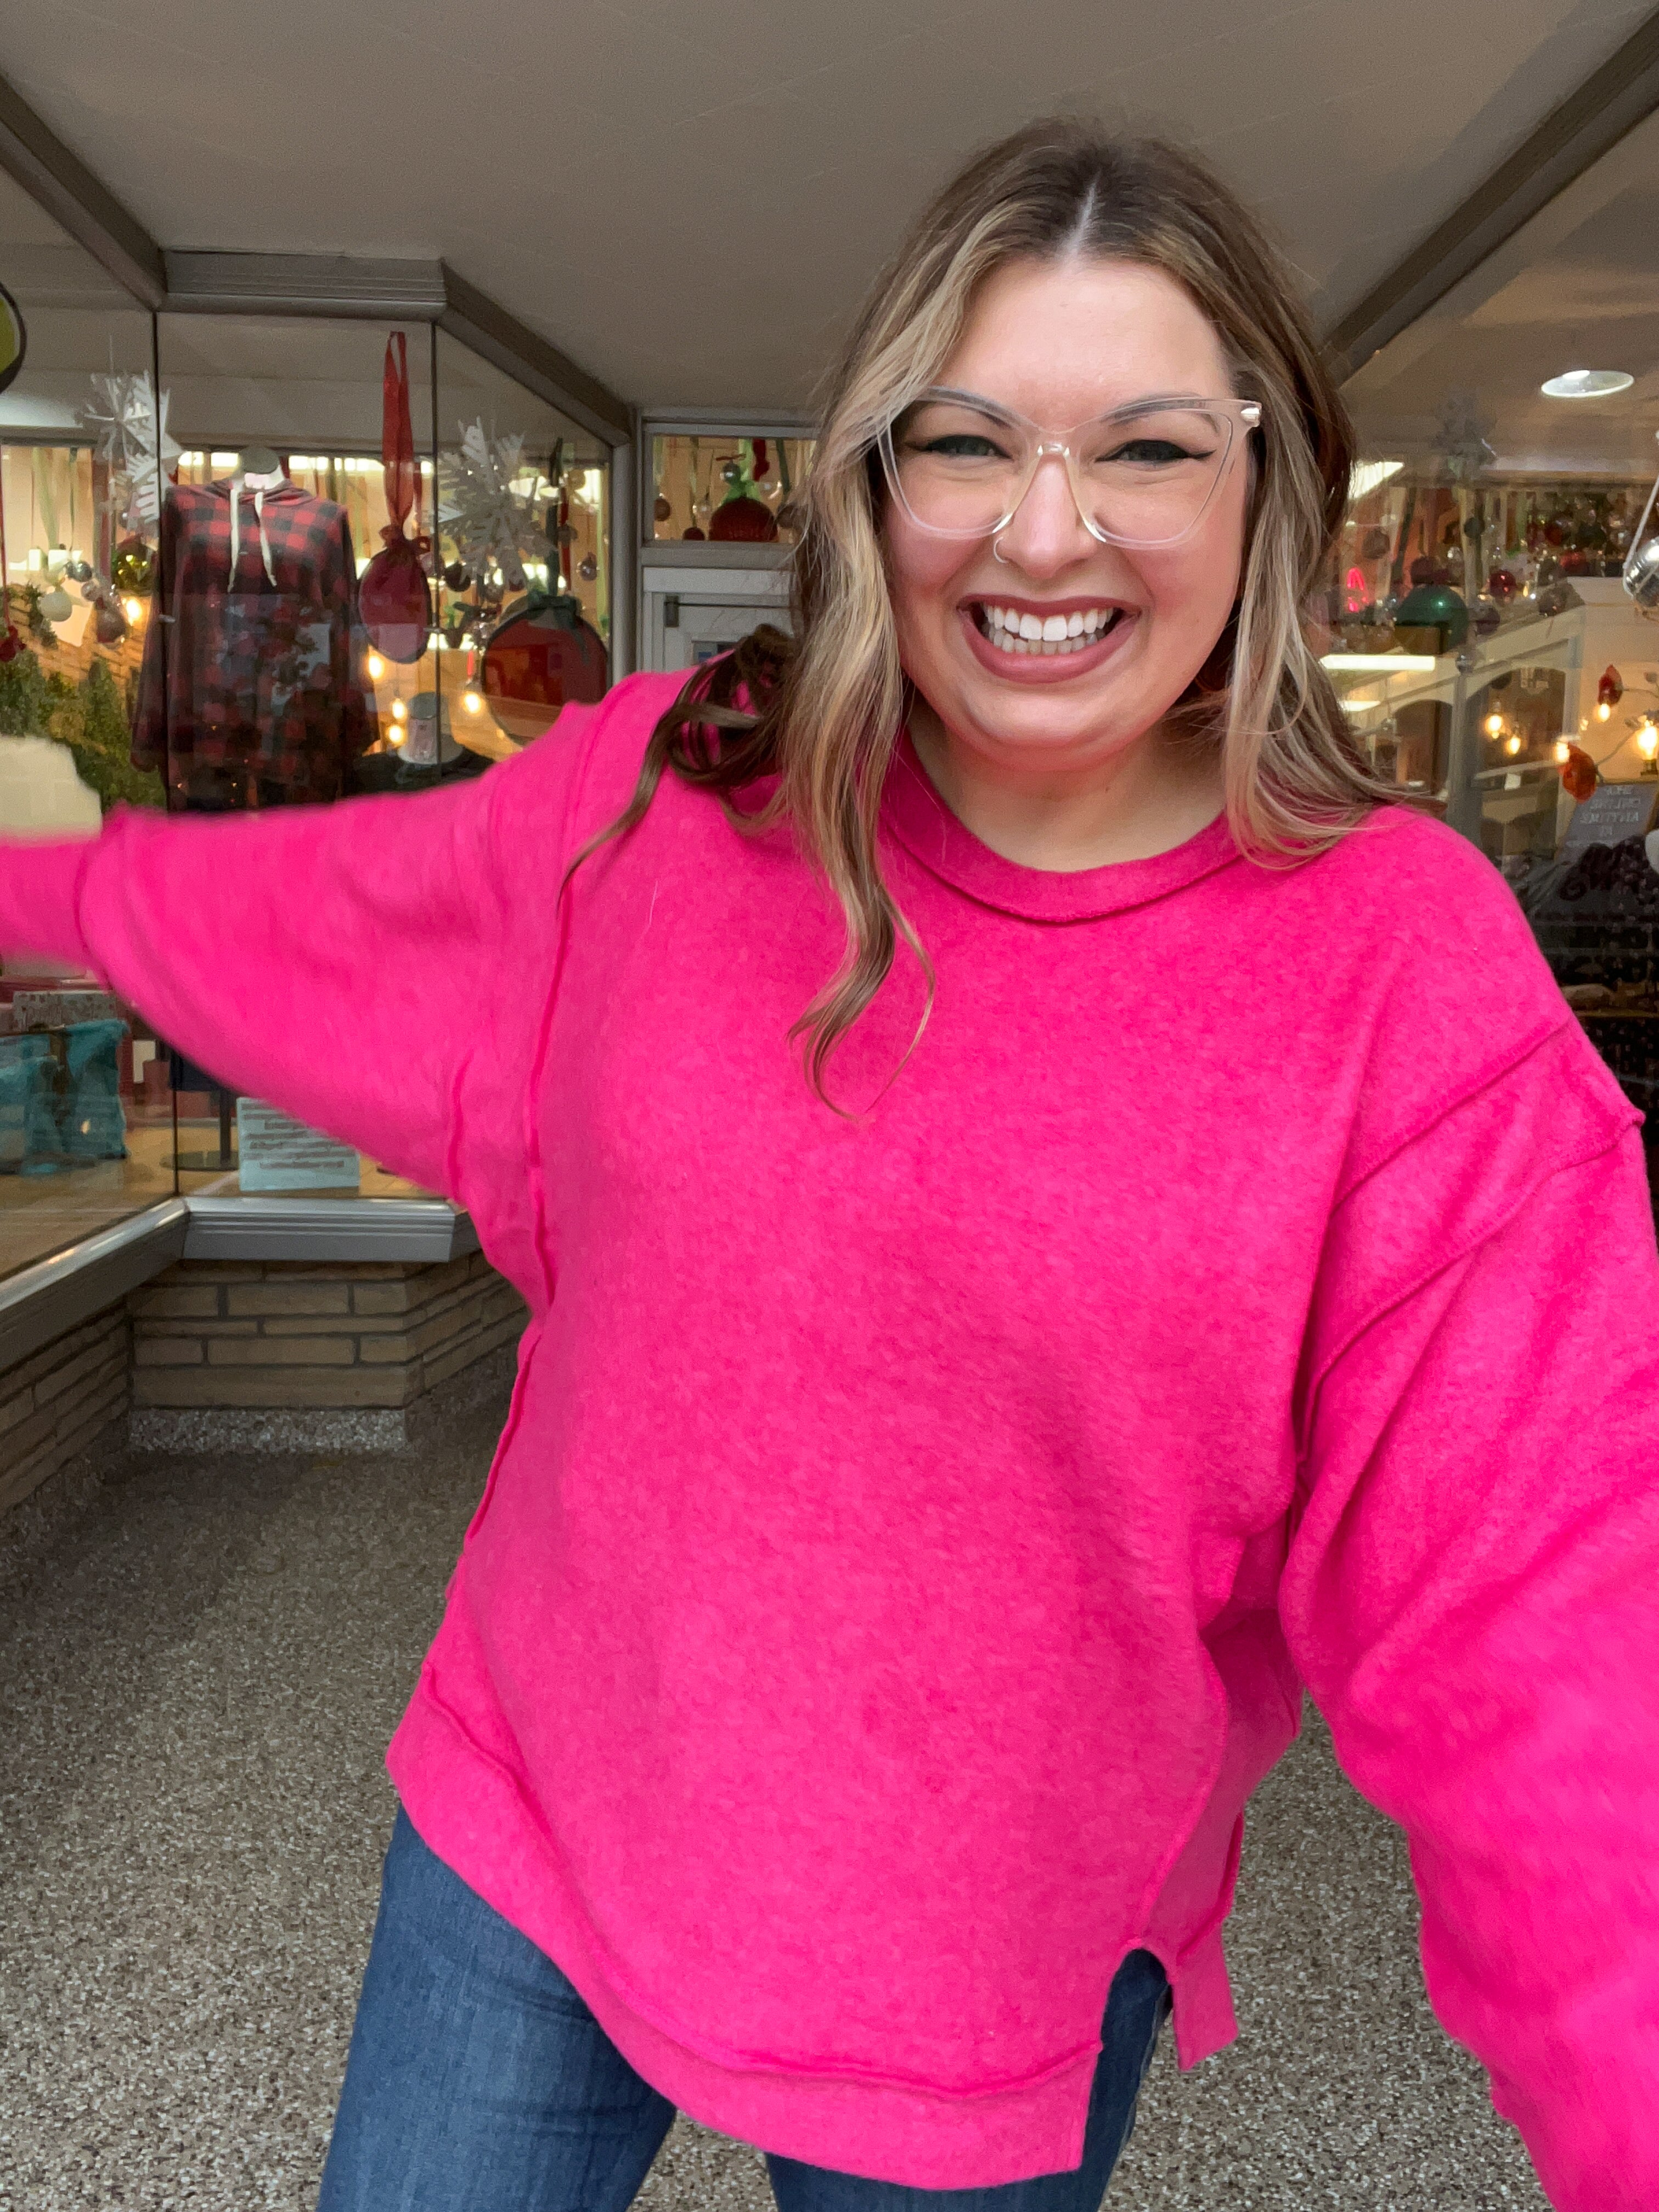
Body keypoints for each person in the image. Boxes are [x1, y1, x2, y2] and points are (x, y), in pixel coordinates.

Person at [3, 120, 1655, 2212]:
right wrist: (26, 887)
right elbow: (341, 917)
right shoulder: (684, 792)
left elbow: (1560, 1653)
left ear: (1269, 487)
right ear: (878, 484)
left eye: (1148, 448)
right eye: (969, 441)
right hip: (536, 1813)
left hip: (980, 1973)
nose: (1046, 536)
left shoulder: (1397, 971)